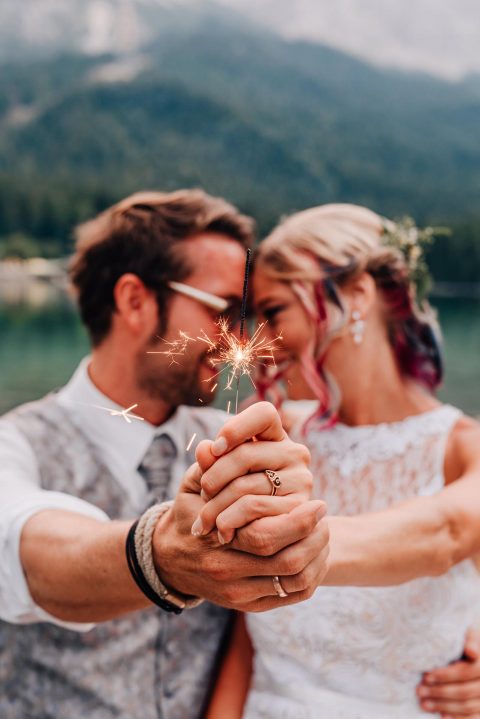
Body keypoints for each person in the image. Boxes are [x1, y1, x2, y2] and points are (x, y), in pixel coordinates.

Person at [0, 190, 330, 719]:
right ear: (134, 301)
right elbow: (36, 556)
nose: (236, 340)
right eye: (222, 309)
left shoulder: (244, 442)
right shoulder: (13, 444)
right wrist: (162, 555)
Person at [203, 204, 480, 718]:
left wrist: (282, 548)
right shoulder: (279, 444)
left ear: (356, 295)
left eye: (275, 312)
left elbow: (445, 533)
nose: (259, 342)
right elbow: (245, 648)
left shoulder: (466, 450)